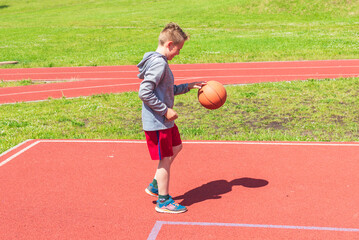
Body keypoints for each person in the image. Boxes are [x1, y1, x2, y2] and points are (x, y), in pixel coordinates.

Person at [137, 22, 205, 213]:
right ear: (169, 45)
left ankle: (155, 185)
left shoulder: (160, 62)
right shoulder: (159, 63)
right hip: (158, 122)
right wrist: (165, 110)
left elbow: (167, 90)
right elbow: (144, 92)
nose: (179, 53)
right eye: (178, 49)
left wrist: (188, 86)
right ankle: (164, 201)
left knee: (176, 147)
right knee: (165, 159)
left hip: (165, 122)